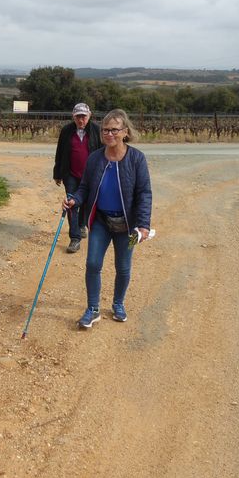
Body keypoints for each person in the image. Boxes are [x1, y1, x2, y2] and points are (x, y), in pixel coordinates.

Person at [63, 109, 152, 329]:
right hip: (100, 222)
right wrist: (74, 200)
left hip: (128, 226)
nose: (109, 134)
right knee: (93, 263)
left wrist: (143, 225)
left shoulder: (137, 158)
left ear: (125, 132)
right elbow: (84, 187)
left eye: (114, 130)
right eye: (105, 130)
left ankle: (118, 304)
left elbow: (144, 193)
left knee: (123, 267)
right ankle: (93, 309)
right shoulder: (95, 158)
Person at [53, 102, 101, 254]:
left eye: (84, 117)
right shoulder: (67, 131)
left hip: (90, 176)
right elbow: (60, 152)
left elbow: (103, 153)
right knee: (72, 205)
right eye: (78, 117)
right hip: (71, 175)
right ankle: (75, 238)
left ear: (89, 116)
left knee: (86, 203)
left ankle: (81, 225)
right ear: (73, 117)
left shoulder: (97, 130)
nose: (81, 120)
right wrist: (57, 173)